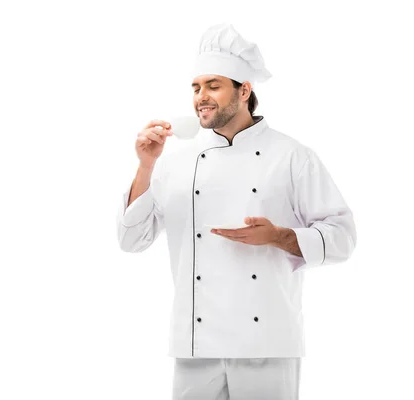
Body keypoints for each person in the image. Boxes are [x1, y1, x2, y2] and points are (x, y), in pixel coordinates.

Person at [116, 23, 357, 400]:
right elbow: (131, 240)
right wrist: (145, 166)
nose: (201, 97)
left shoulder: (291, 156)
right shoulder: (174, 162)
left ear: (245, 90)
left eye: (213, 85)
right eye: (196, 88)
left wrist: (280, 236)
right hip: (195, 345)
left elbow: (343, 237)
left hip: (268, 344)